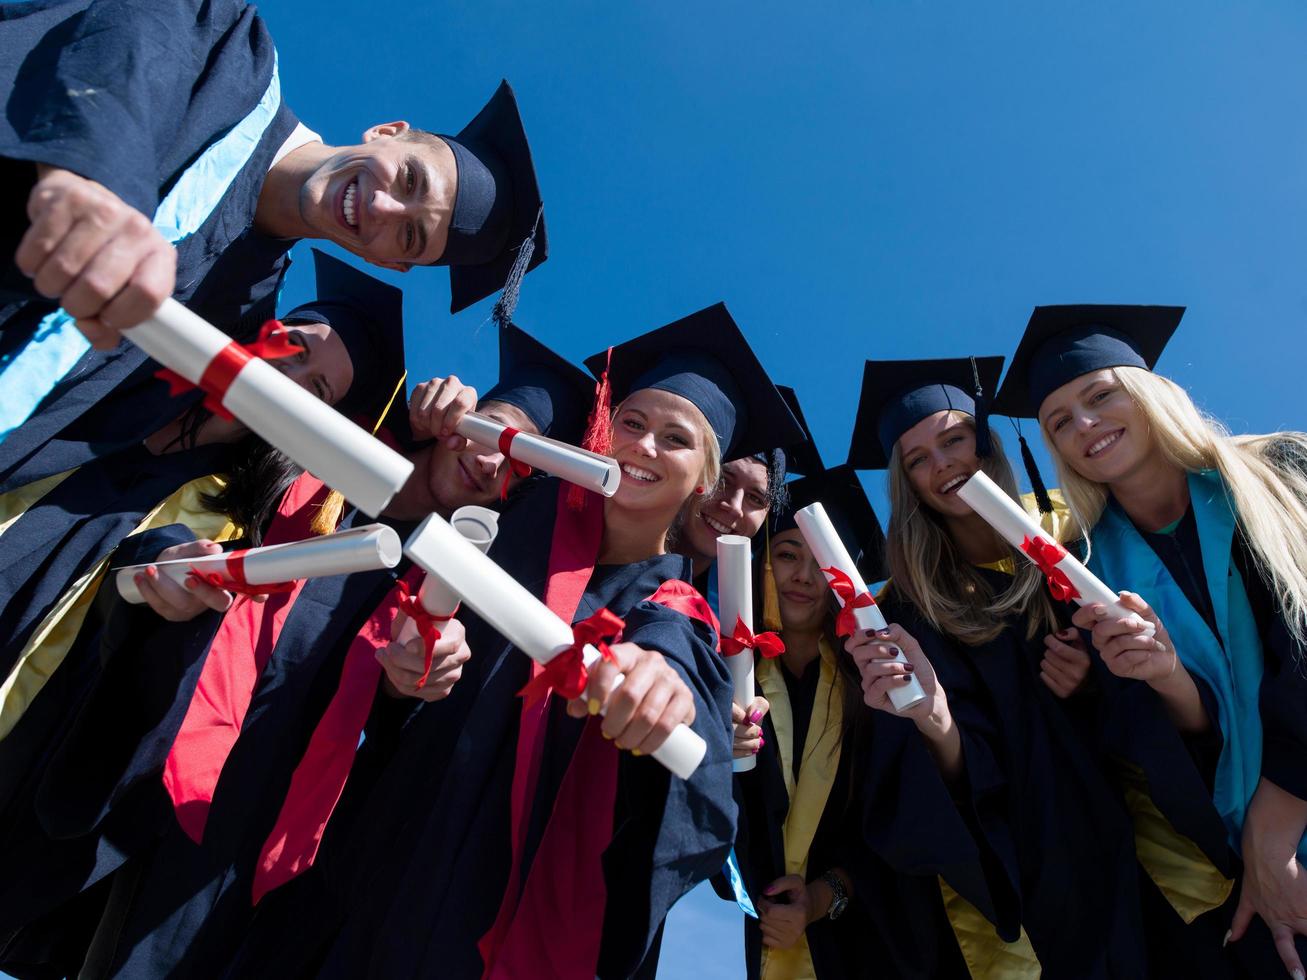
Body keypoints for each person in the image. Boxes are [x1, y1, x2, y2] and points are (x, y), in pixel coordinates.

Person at [0, 320, 587, 979]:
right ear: (452, 418)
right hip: (124, 749)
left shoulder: (458, 592)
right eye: (489, 435)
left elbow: (395, 728)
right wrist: (162, 561)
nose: (489, 463)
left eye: (518, 471)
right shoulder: (309, 452)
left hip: (230, 834)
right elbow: (167, 518)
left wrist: (410, 686)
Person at [229, 303, 797, 980]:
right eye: (632, 423)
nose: (643, 446)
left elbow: (676, 672)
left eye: (673, 440)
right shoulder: (509, 526)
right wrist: (405, 674)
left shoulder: (674, 611)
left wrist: (661, 689)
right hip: (380, 847)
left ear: (702, 482)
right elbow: (394, 664)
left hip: (494, 904)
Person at [0, 0, 547, 490]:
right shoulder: (224, 45)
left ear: (389, 263)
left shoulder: (240, 319)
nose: (382, 208)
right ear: (387, 131)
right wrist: (101, 182)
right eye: (409, 179)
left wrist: (437, 432)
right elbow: (128, 50)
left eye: (409, 235)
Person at [994, 304, 1307, 980]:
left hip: (1277, 835)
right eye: (1056, 422)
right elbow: (1180, 743)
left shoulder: (1279, 470)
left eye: (1099, 394)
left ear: (1148, 392)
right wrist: (1163, 676)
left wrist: (1274, 831)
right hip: (1249, 862)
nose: (1082, 425)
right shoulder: (1087, 577)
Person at [843, 354, 1151, 978]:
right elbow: (946, 775)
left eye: (955, 439)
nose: (942, 465)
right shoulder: (904, 610)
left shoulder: (1080, 542)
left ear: (986, 442)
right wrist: (934, 719)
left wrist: (1096, 681)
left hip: (1151, 835)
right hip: (1041, 866)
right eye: (917, 460)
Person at [724, 463, 902, 979]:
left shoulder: (870, 682)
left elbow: (898, 816)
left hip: (877, 931)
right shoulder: (732, 679)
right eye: (786, 555)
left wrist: (824, 896)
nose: (803, 576)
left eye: (821, 562)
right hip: (767, 928)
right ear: (761, 563)